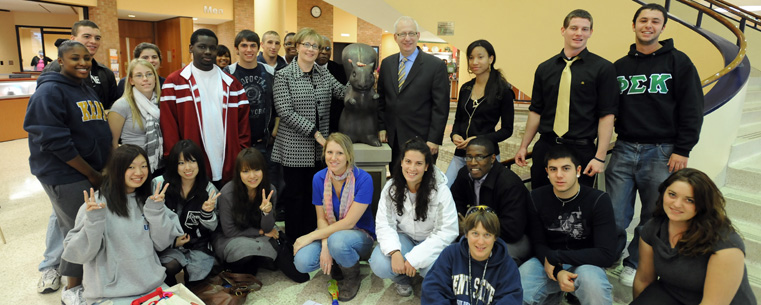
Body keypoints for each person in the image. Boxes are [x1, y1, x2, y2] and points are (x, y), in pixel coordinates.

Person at [607, 3, 705, 287]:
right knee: (613, 213)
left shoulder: (679, 62)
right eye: (643, 20)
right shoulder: (620, 67)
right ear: (634, 25)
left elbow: (692, 108)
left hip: (662, 151)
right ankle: (610, 254)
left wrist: (683, 149)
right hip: (624, 147)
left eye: (654, 21)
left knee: (652, 214)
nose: (648, 25)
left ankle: (635, 263)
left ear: (663, 27)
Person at [24, 40, 112, 303]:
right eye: (75, 58)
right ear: (60, 61)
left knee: (90, 227)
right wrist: (92, 174)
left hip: (90, 172)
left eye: (87, 58)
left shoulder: (84, 88)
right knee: (78, 232)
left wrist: (103, 166)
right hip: (66, 175)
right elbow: (54, 142)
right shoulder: (49, 92)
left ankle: (90, 281)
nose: (83, 63)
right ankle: (72, 289)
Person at [62, 145, 183, 305]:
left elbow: (162, 244)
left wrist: (156, 212)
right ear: (117, 169)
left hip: (152, 287)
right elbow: (80, 254)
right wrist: (93, 222)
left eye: (143, 166)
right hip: (110, 294)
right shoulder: (96, 204)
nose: (139, 173)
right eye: (130, 167)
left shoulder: (149, 200)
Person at [514, 9, 617, 189]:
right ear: (563, 30)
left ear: (591, 33)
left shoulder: (603, 68)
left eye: (585, 29)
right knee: (540, 201)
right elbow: (536, 111)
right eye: (574, 28)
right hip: (546, 146)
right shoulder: (544, 69)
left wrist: (600, 156)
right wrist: (524, 146)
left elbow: (606, 115)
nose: (579, 33)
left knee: (577, 208)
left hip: (581, 150)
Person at [631, 168, 757, 304]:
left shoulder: (726, 245)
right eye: (672, 194)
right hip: (672, 293)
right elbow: (644, 280)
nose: (676, 204)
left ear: (703, 204)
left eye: (689, 200)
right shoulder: (654, 227)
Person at [271, 27, 346, 241]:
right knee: (296, 197)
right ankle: (296, 240)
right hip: (294, 149)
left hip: (318, 151)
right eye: (307, 45)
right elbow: (284, 111)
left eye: (315, 46)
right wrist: (315, 132)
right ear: (297, 47)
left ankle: (312, 237)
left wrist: (359, 76)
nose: (311, 50)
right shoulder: (284, 75)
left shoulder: (323, 73)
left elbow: (341, 92)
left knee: (316, 197)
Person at [519, 145, 618, 305]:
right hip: (547, 261)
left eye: (566, 168)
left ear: (578, 170)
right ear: (547, 172)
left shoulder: (598, 200)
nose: (559, 175)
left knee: (594, 287)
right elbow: (538, 242)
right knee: (520, 281)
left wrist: (557, 257)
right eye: (553, 169)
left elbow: (606, 254)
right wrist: (558, 271)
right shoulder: (535, 197)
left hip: (586, 262)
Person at [160, 28, 250, 186]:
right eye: (202, 46)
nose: (208, 51)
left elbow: (243, 124)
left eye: (212, 48)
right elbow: (169, 127)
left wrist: (239, 152)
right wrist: (177, 160)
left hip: (228, 163)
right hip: (191, 165)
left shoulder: (232, 84)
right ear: (191, 48)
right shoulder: (174, 82)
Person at [369, 138, 459, 297]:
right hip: (405, 238)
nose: (412, 168)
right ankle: (403, 278)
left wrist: (414, 259)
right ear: (401, 162)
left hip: (432, 240)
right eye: (408, 161)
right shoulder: (391, 188)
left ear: (426, 167)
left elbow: (447, 232)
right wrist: (395, 252)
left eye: (418, 163)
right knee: (379, 263)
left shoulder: (441, 190)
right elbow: (384, 224)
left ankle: (428, 280)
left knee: (434, 269)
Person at [292, 133, 376, 301]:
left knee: (337, 241)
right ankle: (338, 261)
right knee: (302, 262)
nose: (334, 158)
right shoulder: (319, 178)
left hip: (360, 236)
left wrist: (309, 236)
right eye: (330, 152)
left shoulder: (364, 179)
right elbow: (321, 219)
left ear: (348, 156)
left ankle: (352, 277)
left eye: (340, 153)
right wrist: (325, 247)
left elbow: (349, 222)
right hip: (331, 235)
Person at [213, 148, 308, 282]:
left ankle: (259, 257)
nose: (252, 176)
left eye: (256, 170)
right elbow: (229, 231)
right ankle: (256, 258)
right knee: (245, 260)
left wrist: (267, 212)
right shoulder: (227, 193)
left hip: (260, 234)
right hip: (233, 237)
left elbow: (269, 227)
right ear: (238, 173)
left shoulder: (270, 190)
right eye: (246, 171)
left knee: (299, 276)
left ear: (263, 170)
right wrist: (261, 232)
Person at [377, 16, 449, 167]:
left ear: (418, 36)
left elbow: (440, 107)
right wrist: (382, 127)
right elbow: (381, 100)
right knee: (397, 182)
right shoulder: (387, 64)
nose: (407, 38)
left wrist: (434, 139)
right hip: (394, 139)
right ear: (395, 37)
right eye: (402, 34)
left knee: (421, 185)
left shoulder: (435, 66)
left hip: (422, 141)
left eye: (411, 33)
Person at [445, 39, 514, 187]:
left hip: (486, 156)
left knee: (485, 196)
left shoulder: (503, 91)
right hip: (462, 154)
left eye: (480, 57)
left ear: (491, 59)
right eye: (471, 57)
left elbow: (507, 130)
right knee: (446, 191)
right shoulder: (465, 89)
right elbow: (458, 120)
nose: (475, 61)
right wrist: (454, 135)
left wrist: (479, 139)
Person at [449, 138, 530, 263]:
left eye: (480, 157)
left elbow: (513, 230)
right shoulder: (464, 174)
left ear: (492, 158)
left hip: (511, 239)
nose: (473, 162)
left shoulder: (509, 183)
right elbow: (455, 203)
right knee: (450, 251)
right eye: (469, 157)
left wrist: (473, 227)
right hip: (476, 234)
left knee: (485, 257)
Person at [422, 206, 523, 305]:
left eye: (487, 235)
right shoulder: (451, 254)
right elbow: (433, 290)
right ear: (466, 234)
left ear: (495, 237)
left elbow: (511, 299)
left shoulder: (507, 266)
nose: (480, 242)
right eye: (475, 233)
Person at [152, 140, 219, 286]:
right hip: (167, 245)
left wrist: (207, 213)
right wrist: (172, 242)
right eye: (181, 163)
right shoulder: (159, 184)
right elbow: (150, 221)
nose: (187, 167)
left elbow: (213, 227)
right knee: (167, 269)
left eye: (192, 161)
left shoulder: (209, 189)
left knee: (197, 284)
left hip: (198, 244)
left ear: (199, 163)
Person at [43, 20, 119, 109]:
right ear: (73, 39)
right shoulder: (56, 69)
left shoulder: (105, 72)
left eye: (97, 38)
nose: (93, 41)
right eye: (87, 36)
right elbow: (47, 106)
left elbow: (113, 103)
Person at [223, 30, 275, 155]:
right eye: (244, 45)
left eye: (253, 45)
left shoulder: (270, 72)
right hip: (237, 141)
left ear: (258, 48)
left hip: (264, 141)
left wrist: (274, 132)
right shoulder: (228, 73)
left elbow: (277, 103)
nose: (249, 50)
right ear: (236, 49)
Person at [108, 59, 164, 174]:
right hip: (132, 167)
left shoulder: (162, 103)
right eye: (139, 75)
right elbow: (111, 143)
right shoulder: (122, 105)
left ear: (155, 77)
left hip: (159, 165)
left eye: (149, 74)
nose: (145, 79)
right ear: (131, 80)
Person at [316, 35, 348, 134]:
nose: (324, 52)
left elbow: (344, 93)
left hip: (334, 126)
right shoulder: (306, 70)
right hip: (311, 128)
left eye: (328, 49)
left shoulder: (340, 70)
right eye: (321, 48)